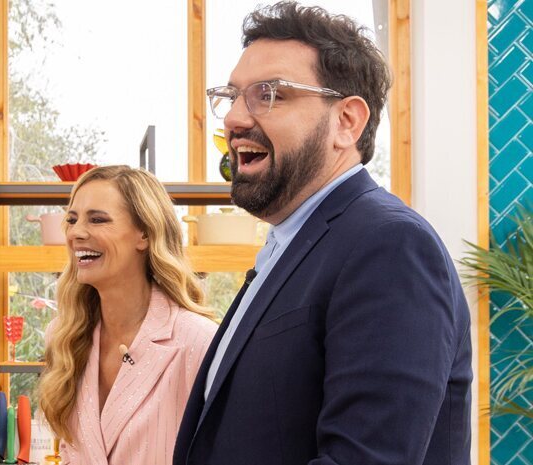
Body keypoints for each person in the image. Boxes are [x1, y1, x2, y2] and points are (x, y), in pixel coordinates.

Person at [174, 2, 472, 465]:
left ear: (347, 122)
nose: (233, 119)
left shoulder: (390, 246)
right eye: (231, 96)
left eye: (269, 94)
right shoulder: (291, 244)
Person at [39, 165, 217, 465]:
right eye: (72, 219)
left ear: (144, 234)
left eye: (97, 219)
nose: (76, 233)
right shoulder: (63, 335)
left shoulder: (198, 340)